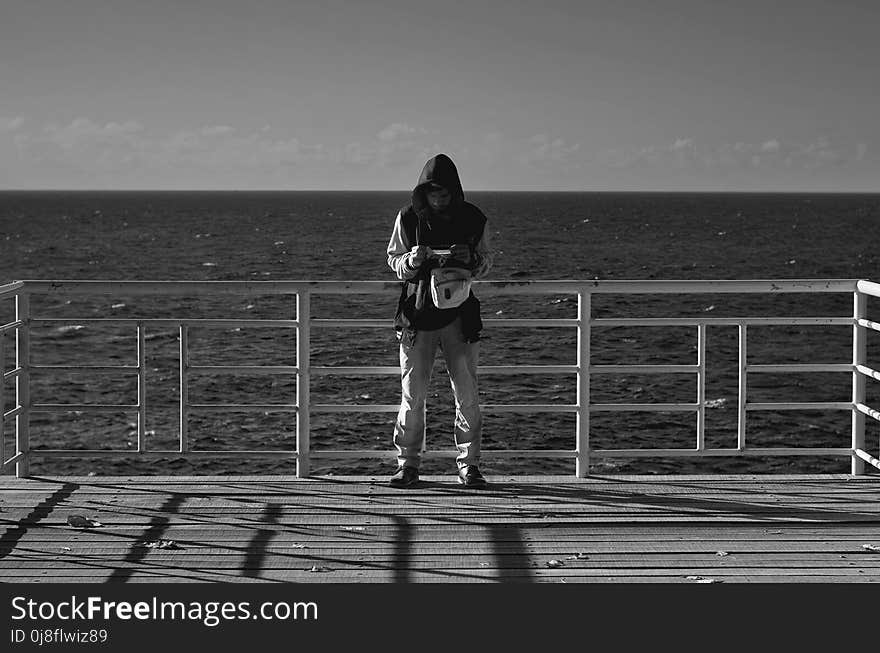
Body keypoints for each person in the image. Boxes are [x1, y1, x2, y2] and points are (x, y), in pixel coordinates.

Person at [386, 153, 494, 488]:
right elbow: (393, 260)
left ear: (455, 190)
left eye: (445, 191)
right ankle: (408, 464)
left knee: (467, 393)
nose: (439, 197)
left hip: (459, 317)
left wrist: (471, 259)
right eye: (433, 191)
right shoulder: (407, 218)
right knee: (412, 394)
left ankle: (469, 464)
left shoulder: (474, 218)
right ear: (424, 192)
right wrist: (411, 260)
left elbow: (487, 260)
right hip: (418, 317)